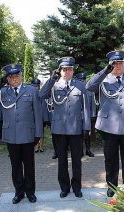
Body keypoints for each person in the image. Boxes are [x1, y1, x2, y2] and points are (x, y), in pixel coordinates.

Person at [86, 50, 124, 197]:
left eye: (121, 63)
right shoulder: (103, 80)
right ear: (110, 65)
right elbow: (89, 87)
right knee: (110, 159)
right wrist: (105, 71)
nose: (118, 66)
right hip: (108, 127)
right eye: (115, 63)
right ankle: (111, 186)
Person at [0, 64, 42, 204]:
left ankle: (30, 192)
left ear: (21, 76)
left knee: (29, 166)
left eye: (16, 76)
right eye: (11, 77)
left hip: (28, 134)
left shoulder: (31, 90)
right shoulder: (2, 91)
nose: (14, 79)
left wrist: (38, 133)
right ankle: (19, 192)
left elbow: (38, 114)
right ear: (7, 79)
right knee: (15, 166)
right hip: (11, 135)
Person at [39, 57, 90, 198]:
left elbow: (85, 107)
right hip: (59, 129)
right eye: (64, 69)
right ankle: (64, 188)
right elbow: (41, 95)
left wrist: (86, 127)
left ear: (73, 70)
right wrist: (51, 79)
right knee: (62, 160)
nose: (67, 72)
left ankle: (77, 187)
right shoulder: (54, 85)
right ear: (60, 70)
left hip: (75, 129)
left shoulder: (80, 85)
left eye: (70, 69)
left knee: (76, 160)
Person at [75, 72, 95, 157]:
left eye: (83, 80)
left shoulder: (90, 91)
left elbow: (93, 104)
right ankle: (80, 151)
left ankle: (88, 150)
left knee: (88, 134)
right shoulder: (75, 90)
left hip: (87, 116)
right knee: (79, 134)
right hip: (78, 117)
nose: (82, 82)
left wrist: (93, 115)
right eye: (80, 80)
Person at [31, 79, 45, 153]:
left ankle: (41, 146)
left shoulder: (41, 94)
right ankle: (35, 146)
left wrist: (44, 118)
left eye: (37, 86)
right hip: (32, 116)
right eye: (34, 86)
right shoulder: (30, 94)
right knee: (33, 132)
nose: (36, 87)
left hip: (40, 116)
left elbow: (43, 107)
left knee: (41, 132)